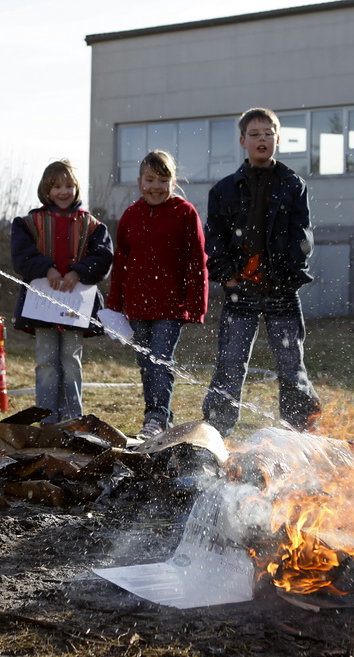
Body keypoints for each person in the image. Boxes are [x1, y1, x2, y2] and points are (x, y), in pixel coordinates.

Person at [201, 108, 321, 437]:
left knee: (291, 367)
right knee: (229, 366)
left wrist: (292, 276)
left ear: (278, 139)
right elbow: (215, 241)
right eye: (255, 134)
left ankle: (299, 435)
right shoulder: (223, 191)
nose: (262, 139)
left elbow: (303, 235)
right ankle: (215, 435)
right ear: (243, 141)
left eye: (269, 133)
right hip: (241, 292)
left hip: (282, 292)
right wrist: (228, 277)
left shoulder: (293, 185)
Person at [108, 150, 208, 440]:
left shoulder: (185, 213)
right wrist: (115, 307)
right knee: (145, 364)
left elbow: (196, 261)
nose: (156, 186)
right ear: (139, 181)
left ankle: (155, 418)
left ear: (173, 182)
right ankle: (160, 414)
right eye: (150, 179)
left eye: (162, 180)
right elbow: (120, 265)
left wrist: (196, 305)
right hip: (137, 307)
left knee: (160, 361)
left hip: (170, 307)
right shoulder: (130, 216)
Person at [11, 160, 113, 423]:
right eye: (56, 186)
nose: (63, 191)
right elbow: (21, 256)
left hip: (75, 308)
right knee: (46, 361)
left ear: (77, 188)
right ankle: (47, 419)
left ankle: (72, 419)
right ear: (46, 189)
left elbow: (103, 258)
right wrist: (47, 269)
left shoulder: (93, 226)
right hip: (41, 306)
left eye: (69, 185)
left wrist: (78, 271)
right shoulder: (29, 223)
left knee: (71, 360)